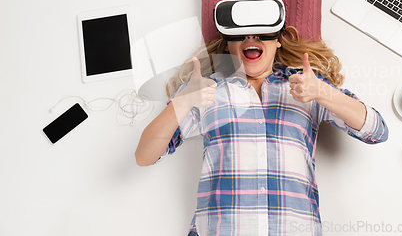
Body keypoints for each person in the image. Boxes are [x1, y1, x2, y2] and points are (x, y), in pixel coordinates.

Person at [135, 14, 388, 235]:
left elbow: (377, 131)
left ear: (278, 39)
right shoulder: (206, 88)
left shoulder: (306, 84)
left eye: (262, 33)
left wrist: (323, 91)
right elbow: (144, 156)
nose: (250, 38)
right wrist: (183, 100)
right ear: (229, 44)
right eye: (240, 35)